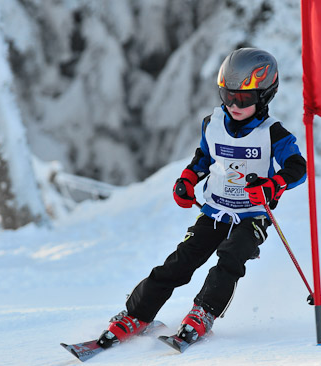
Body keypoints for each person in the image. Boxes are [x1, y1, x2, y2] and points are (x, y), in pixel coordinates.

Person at [97, 48, 307, 348]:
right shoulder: (213, 123)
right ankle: (136, 314)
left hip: (253, 214)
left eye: (244, 99)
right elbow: (203, 158)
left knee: (231, 257)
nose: (234, 104)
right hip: (215, 211)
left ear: (264, 96)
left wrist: (273, 185)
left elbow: (298, 169)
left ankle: (203, 312)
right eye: (227, 95)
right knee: (181, 262)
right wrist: (187, 180)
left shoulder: (273, 134)